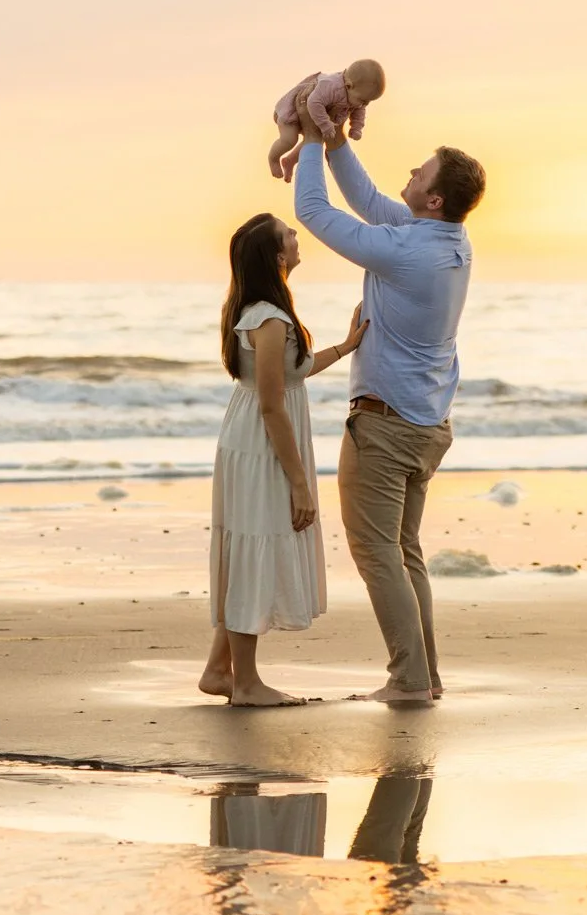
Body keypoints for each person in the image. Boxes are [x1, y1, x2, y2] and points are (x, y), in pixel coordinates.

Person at [292, 128, 486, 703]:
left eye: (420, 174)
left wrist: (304, 141)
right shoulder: (450, 240)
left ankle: (407, 679)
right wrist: (332, 144)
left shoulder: (406, 251)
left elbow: (311, 210)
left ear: (433, 200)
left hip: (385, 426)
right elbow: (374, 203)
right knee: (404, 553)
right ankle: (425, 677)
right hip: (426, 425)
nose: (410, 174)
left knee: (377, 553)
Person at [200, 212, 367, 707]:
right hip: (261, 444)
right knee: (256, 548)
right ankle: (247, 684)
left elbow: (290, 374)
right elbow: (273, 405)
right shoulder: (270, 320)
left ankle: (218, 669)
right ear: (278, 257)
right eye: (289, 234)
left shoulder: (255, 311)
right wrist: (299, 482)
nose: (297, 237)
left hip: (248, 437)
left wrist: (345, 347)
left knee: (248, 544)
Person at [267, 58, 387, 181]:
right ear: (348, 86)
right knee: (289, 139)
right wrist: (325, 124)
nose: (365, 104)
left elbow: (359, 112)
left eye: (369, 101)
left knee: (316, 139)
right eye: (363, 100)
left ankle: (290, 161)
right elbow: (313, 102)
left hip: (316, 116)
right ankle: (273, 158)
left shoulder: (357, 96)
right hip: (292, 111)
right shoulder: (331, 86)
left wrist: (356, 128)